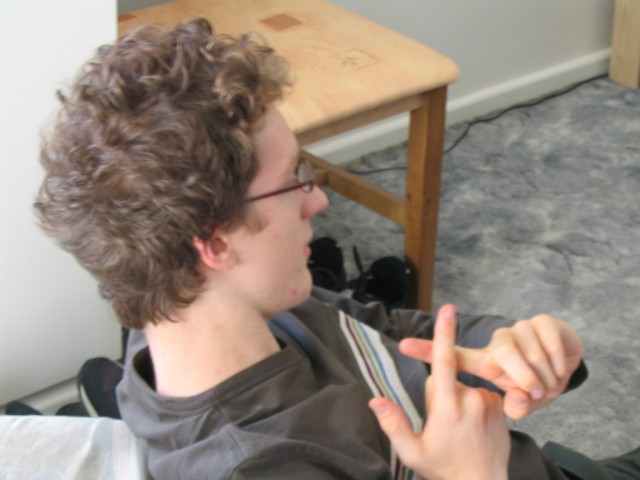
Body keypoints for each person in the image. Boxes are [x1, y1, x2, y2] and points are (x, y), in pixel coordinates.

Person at [34, 18, 638, 480]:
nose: (317, 199)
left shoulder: (248, 309)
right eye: (292, 181)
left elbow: (384, 335)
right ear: (215, 241)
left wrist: (510, 345)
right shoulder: (259, 465)